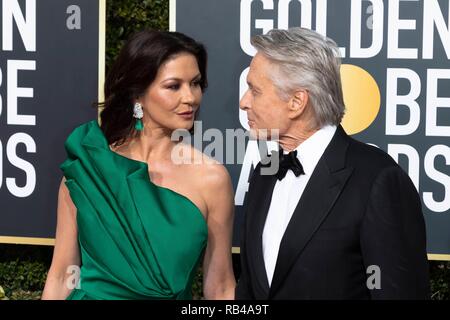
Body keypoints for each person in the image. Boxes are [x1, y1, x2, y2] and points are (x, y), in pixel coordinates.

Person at [236, 27, 430, 299]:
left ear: (296, 102)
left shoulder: (377, 179)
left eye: (254, 90)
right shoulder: (264, 171)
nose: (244, 102)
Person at [42, 30, 236, 300]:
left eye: (195, 83)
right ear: (137, 94)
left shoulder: (211, 179)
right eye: (173, 86)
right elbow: (63, 274)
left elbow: (221, 286)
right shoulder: (88, 170)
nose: (190, 97)